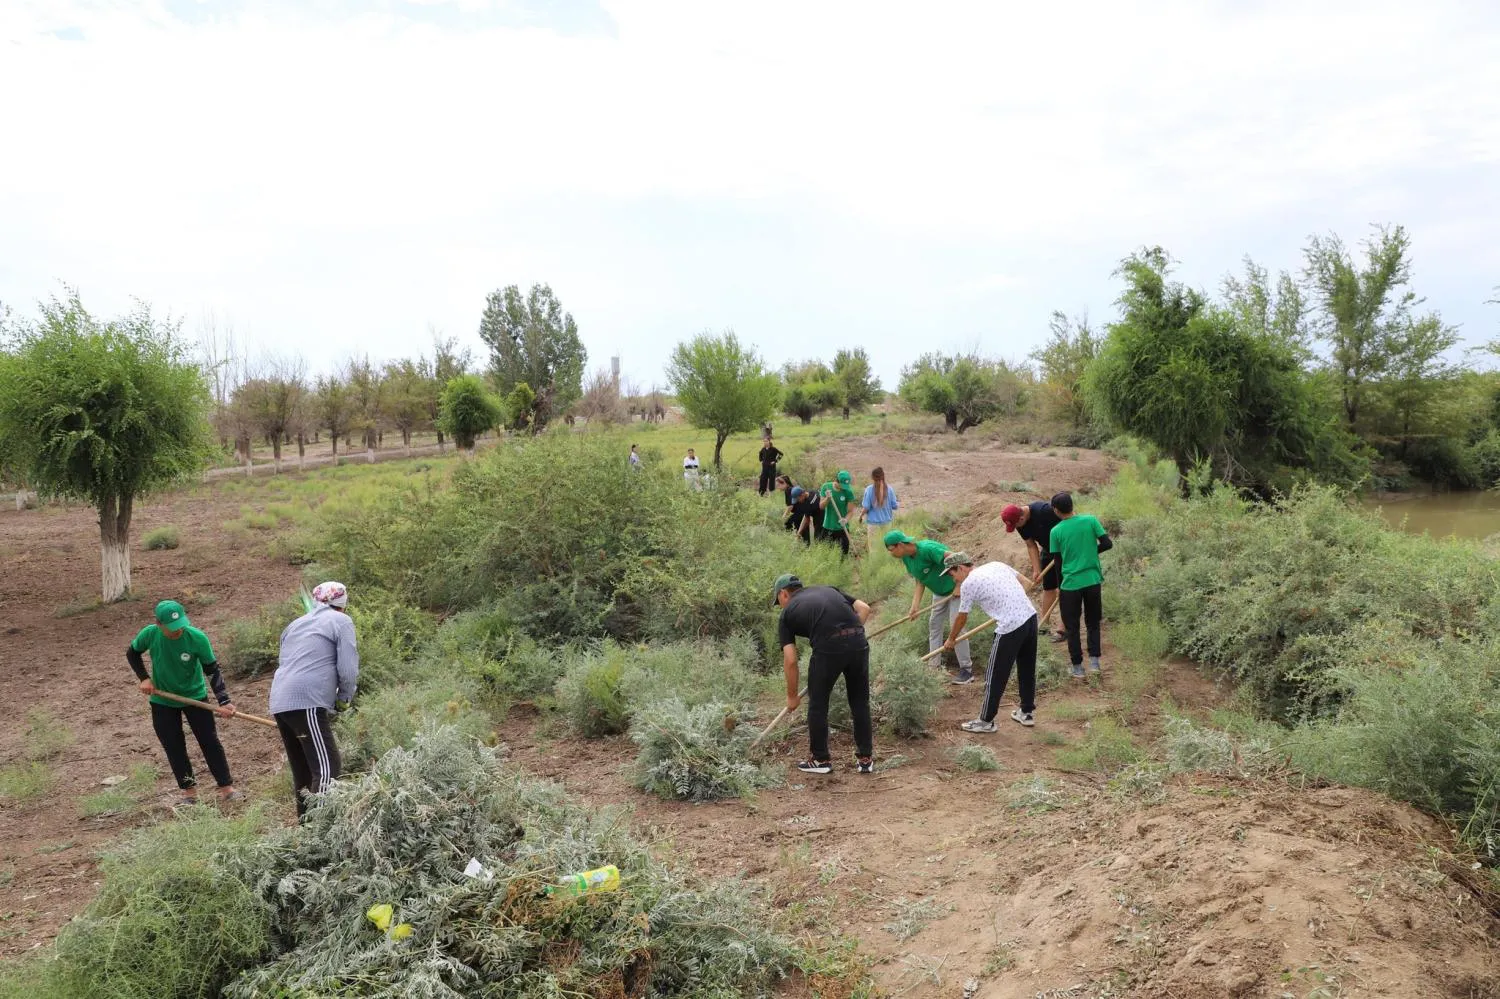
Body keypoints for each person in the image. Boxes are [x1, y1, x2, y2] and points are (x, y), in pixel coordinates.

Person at [127, 600, 243, 806]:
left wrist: (224, 701)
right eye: (172, 628)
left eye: (180, 624)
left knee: (210, 742)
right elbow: (133, 653)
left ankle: (227, 788)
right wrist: (144, 678)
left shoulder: (196, 637)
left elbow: (212, 670)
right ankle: (189, 794)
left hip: (195, 697)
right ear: (159, 624)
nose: (178, 630)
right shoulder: (150, 634)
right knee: (174, 746)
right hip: (163, 700)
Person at [271, 581, 359, 817]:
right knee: (327, 768)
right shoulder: (341, 621)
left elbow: (286, 661)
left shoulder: (294, 625)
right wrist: (344, 699)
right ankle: (319, 834)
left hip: (280, 701)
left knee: (304, 771)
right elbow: (349, 670)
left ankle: (306, 831)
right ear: (342, 604)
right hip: (307, 701)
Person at [771, 573, 875, 775]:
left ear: (783, 594)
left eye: (779, 601)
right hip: (858, 642)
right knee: (860, 702)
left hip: (829, 649)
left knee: (818, 704)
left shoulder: (786, 614)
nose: (781, 606)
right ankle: (865, 759)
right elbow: (864, 609)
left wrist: (792, 696)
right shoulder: (829, 589)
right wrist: (851, 637)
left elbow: (790, 659)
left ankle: (820, 759)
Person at [938, 552, 1041, 731]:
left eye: (952, 574)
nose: (953, 578)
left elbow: (962, 617)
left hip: (1010, 627)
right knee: (1026, 668)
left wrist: (951, 639)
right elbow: (1027, 583)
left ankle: (985, 721)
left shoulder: (968, 583)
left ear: (961, 567)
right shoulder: (996, 564)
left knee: (994, 675)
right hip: (1030, 618)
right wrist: (1010, 603)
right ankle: (1026, 712)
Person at [883, 530, 975, 683]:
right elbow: (920, 580)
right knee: (934, 625)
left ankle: (967, 670)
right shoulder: (907, 558)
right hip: (939, 593)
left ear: (900, 545)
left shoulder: (928, 549)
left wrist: (959, 584)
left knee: (956, 626)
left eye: (891, 550)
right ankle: (934, 667)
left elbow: (958, 558)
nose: (891, 554)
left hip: (956, 591)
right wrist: (915, 605)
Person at [1047, 491, 1113, 679]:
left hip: (1070, 585)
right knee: (1093, 622)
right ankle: (1094, 663)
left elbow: (1058, 563)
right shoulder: (1091, 520)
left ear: (1056, 510)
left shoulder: (1056, 531)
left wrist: (1060, 588)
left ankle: (1077, 667)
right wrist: (1091, 552)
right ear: (1072, 505)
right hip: (1092, 580)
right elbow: (1107, 544)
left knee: (1072, 626)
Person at [1002, 501, 1064, 643]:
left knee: (1064, 590)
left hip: (1066, 550)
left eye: (1015, 525)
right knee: (1048, 588)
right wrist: (1036, 570)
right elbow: (1031, 545)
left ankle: (1062, 630)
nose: (1016, 528)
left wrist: (1065, 550)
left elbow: (1069, 523)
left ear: (1021, 518)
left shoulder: (1044, 511)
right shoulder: (1019, 523)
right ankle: (1044, 627)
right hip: (1048, 551)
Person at [859, 467, 899, 553]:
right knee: (887, 548)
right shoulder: (890, 489)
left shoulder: (869, 489)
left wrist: (860, 516)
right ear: (883, 476)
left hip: (873, 525)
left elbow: (866, 507)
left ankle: (875, 565)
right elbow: (895, 506)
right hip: (887, 523)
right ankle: (886, 565)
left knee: (874, 550)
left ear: (873, 478)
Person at [818, 469, 857, 558]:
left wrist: (846, 520)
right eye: (842, 485)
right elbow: (821, 507)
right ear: (836, 480)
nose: (844, 487)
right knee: (825, 555)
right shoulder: (826, 487)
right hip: (828, 526)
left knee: (843, 556)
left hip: (842, 527)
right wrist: (827, 498)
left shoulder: (848, 492)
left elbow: (851, 511)